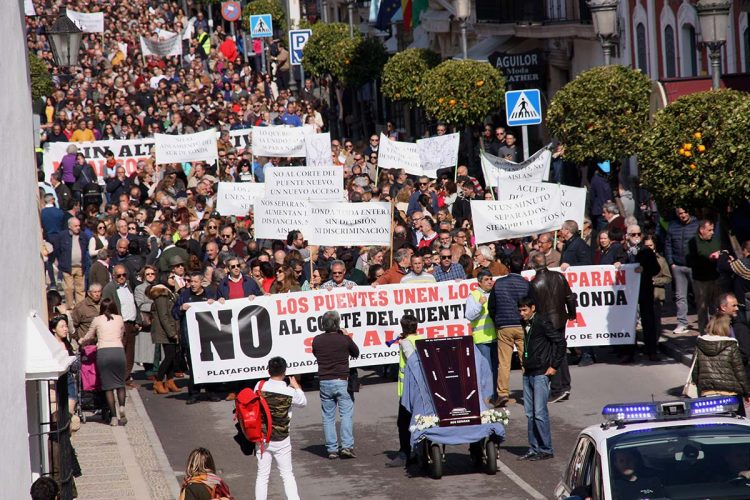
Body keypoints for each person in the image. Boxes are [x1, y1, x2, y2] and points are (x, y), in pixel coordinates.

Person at [516, 296, 566, 461]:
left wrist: (554, 366)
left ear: (533, 308)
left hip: (540, 373)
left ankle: (546, 449)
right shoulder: (524, 323)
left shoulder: (542, 322)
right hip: (528, 373)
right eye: (520, 310)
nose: (521, 313)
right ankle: (534, 448)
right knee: (530, 414)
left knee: (539, 413)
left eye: (524, 310)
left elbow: (560, 342)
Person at [254, 357, 307, 500]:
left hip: (262, 437)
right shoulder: (289, 392)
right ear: (284, 372)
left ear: (268, 370)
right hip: (282, 438)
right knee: (287, 474)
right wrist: (296, 386)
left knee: (262, 475)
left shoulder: (259, 386)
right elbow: (303, 402)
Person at [311, 311, 360, 459]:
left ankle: (332, 449)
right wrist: (346, 335)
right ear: (338, 324)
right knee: (346, 415)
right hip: (342, 380)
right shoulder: (343, 339)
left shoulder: (317, 340)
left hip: (325, 380)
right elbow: (356, 352)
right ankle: (346, 446)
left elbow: (315, 354)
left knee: (328, 416)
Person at [529, 253, 577, 403]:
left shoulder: (534, 283)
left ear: (533, 265)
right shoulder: (558, 276)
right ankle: (565, 385)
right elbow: (570, 297)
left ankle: (558, 389)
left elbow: (534, 306)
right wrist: (571, 313)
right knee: (560, 350)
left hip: (547, 322)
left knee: (553, 354)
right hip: (560, 319)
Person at [488, 255, 530, 407]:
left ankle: (503, 393)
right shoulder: (526, 284)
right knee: (525, 360)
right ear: (522, 268)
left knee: (504, 363)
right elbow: (532, 304)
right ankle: (529, 391)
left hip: (504, 326)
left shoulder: (499, 284)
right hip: (521, 326)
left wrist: (497, 320)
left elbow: (491, 306)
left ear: (508, 267)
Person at [174, 272, 222, 405]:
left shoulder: (210, 293)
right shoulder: (184, 295)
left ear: (201, 282)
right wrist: (181, 308)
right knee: (194, 367)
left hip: (207, 336)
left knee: (209, 365)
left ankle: (211, 392)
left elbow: (221, 307)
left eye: (195, 282)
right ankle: (194, 393)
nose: (192, 284)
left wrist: (217, 303)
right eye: (191, 282)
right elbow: (174, 313)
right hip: (191, 338)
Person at [79, 298, 127, 426]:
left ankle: (114, 417)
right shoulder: (119, 318)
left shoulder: (97, 319)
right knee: (120, 383)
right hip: (118, 351)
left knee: (108, 386)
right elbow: (122, 334)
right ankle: (122, 406)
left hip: (104, 352)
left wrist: (82, 340)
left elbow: (89, 335)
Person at [691, 313, 749, 416]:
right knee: (737, 425)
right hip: (731, 394)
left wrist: (701, 387)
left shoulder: (700, 344)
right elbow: (739, 372)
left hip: (707, 394)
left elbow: (695, 371)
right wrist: (747, 392)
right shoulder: (732, 345)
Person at [386, 314, 423, 468]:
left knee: (403, 423)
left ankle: (405, 454)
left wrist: (403, 341)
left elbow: (413, 360)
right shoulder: (420, 339)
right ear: (417, 327)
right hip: (421, 388)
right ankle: (417, 450)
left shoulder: (406, 343)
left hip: (408, 390)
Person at [623, 224, 661, 362]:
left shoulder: (646, 251)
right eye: (633, 235)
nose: (637, 237)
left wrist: (644, 268)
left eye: (639, 234)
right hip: (627, 292)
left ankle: (651, 350)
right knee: (628, 321)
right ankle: (628, 353)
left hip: (644, 290)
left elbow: (656, 269)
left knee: (648, 320)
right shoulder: (623, 250)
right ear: (627, 236)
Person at [102, 264, 139, 387]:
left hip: (131, 323)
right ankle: (119, 380)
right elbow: (106, 308)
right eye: (119, 275)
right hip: (119, 325)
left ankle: (126, 377)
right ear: (113, 276)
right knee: (120, 354)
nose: (122, 277)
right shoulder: (109, 288)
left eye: (124, 275)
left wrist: (137, 320)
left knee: (130, 353)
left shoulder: (128, 285)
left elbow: (134, 303)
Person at [465, 269, 498, 403]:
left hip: (497, 337)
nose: (490, 281)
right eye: (486, 279)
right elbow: (469, 315)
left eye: (491, 278)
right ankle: (487, 396)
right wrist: (480, 304)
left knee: (496, 368)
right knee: (486, 369)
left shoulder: (495, 292)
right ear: (479, 282)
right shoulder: (474, 295)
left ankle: (496, 395)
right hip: (482, 338)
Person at [665, 207, 700, 334]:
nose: (683, 215)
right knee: (680, 296)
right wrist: (671, 263)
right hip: (678, 266)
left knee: (699, 295)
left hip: (693, 266)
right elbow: (668, 245)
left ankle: (704, 323)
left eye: (685, 212)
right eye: (680, 213)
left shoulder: (697, 225)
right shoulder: (672, 226)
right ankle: (682, 323)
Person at [686, 219, 723, 335]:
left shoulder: (715, 240)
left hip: (715, 278)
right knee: (702, 308)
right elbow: (690, 260)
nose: (712, 232)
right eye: (709, 230)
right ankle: (703, 334)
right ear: (702, 230)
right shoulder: (693, 242)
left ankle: (717, 331)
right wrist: (709, 257)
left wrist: (719, 254)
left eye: (713, 229)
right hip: (701, 280)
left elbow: (722, 252)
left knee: (717, 307)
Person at [148, 283, 180, 395]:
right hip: (164, 331)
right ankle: (158, 381)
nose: (173, 279)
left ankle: (170, 381)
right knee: (170, 356)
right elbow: (163, 316)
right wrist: (171, 333)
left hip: (170, 328)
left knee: (171, 356)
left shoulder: (170, 293)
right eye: (171, 277)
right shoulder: (161, 295)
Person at [54, 217, 90, 307]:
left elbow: (85, 249)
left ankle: (80, 307)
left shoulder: (83, 236)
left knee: (80, 288)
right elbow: (57, 250)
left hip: (80, 266)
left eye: (79, 225)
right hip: (67, 267)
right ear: (69, 226)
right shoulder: (62, 236)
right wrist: (61, 261)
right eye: (75, 226)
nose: (78, 227)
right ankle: (70, 307)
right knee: (69, 288)